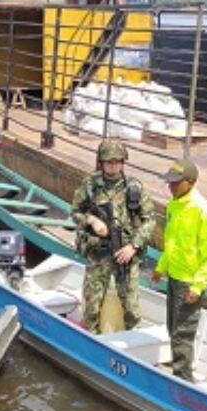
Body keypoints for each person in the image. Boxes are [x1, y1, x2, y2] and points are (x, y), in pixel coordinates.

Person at [72, 138, 157, 334]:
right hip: (98, 252)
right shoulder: (91, 185)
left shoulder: (134, 187)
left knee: (131, 306)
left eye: (117, 161)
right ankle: (90, 341)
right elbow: (75, 211)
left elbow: (150, 220)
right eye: (109, 162)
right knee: (92, 305)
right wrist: (91, 220)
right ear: (101, 162)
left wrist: (134, 245)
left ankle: (133, 344)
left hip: (125, 253)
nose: (113, 166)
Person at [151, 159, 207, 382]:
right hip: (174, 276)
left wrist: (198, 286)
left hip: (189, 281)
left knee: (183, 331)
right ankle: (178, 362)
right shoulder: (175, 206)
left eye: (176, 183)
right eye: (170, 183)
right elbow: (171, 244)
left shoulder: (203, 212)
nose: (171, 187)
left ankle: (182, 376)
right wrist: (161, 268)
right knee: (173, 325)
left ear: (190, 183)